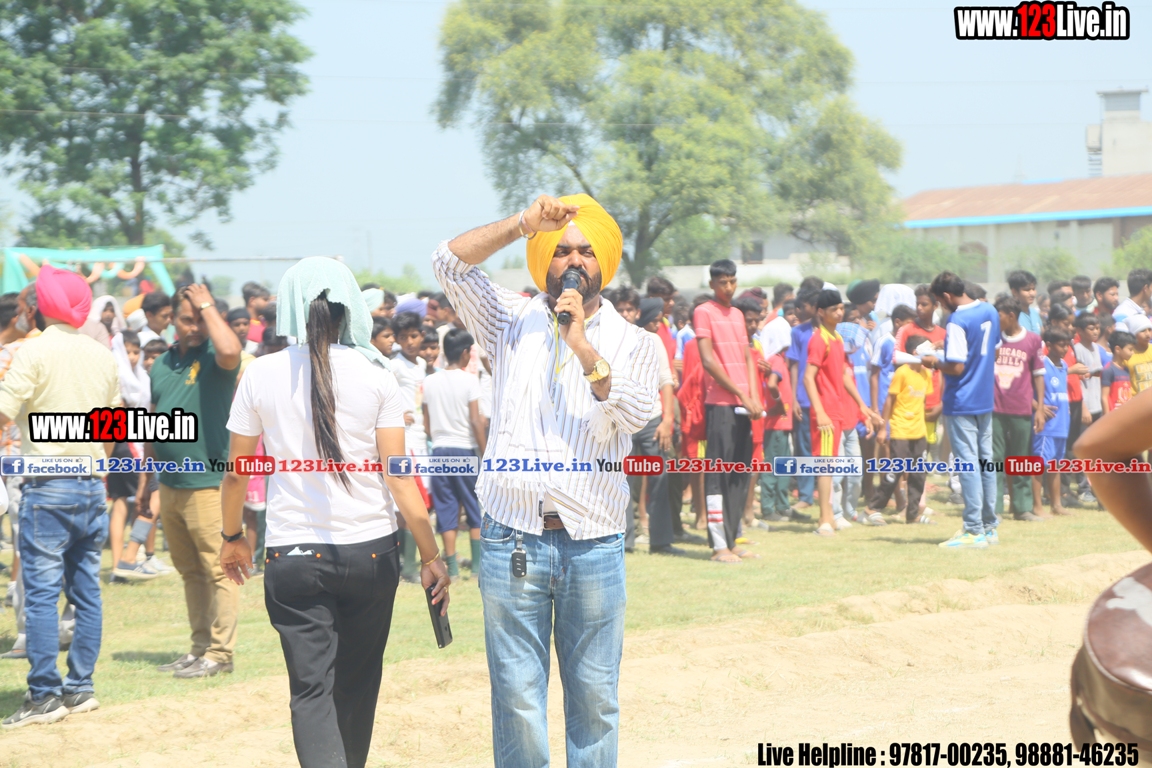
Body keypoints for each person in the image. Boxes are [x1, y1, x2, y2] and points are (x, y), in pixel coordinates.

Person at [432, 193, 659, 768]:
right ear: (544, 259)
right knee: (517, 701)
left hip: (594, 544)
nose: (574, 260)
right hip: (512, 539)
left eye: (586, 250)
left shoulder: (636, 342)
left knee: (596, 700)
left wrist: (582, 346)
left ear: (605, 260)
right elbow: (448, 263)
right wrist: (522, 224)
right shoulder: (508, 319)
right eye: (560, 250)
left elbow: (637, 414)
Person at [220, 257, 449, 768]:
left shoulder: (261, 373)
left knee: (310, 692)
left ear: (289, 308)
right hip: (372, 554)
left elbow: (236, 473)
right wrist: (432, 556)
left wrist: (232, 535)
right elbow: (399, 476)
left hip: (292, 555)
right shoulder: (377, 374)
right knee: (357, 686)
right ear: (352, 310)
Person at [0, 267, 120, 727]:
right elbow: (111, 430)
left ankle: (44, 695)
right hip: (91, 483)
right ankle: (80, 688)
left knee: (42, 595)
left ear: (38, 309)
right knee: (86, 592)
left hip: (47, 484)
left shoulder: (32, 352)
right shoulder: (102, 355)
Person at [146, 285, 242, 679]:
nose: (196, 327)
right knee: (190, 572)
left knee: (219, 570)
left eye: (201, 320)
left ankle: (220, 654)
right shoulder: (160, 363)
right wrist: (148, 481)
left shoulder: (216, 358)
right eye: (188, 320)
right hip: (170, 484)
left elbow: (232, 349)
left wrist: (206, 305)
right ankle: (199, 648)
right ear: (171, 319)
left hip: (207, 483)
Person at [923, 271, 1000, 549]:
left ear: (946, 296)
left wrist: (933, 361)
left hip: (962, 400)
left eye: (939, 301)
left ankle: (973, 530)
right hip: (984, 397)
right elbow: (994, 351)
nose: (940, 307)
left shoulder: (956, 320)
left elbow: (956, 367)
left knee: (967, 464)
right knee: (985, 462)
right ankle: (989, 527)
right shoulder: (989, 310)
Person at [695, 259, 764, 563]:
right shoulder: (703, 312)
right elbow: (709, 360)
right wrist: (741, 394)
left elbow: (748, 358)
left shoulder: (737, 314)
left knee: (739, 474)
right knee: (717, 475)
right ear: (712, 284)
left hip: (743, 406)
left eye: (732, 281)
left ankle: (733, 539)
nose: (728, 287)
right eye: (722, 282)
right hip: (721, 405)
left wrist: (752, 397)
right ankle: (718, 545)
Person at [805, 290, 876, 536]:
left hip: (837, 411)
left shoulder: (836, 338)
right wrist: (819, 411)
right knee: (825, 467)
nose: (839, 312)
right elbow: (808, 377)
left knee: (831, 465)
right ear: (820, 312)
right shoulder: (819, 339)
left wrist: (862, 405)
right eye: (833, 309)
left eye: (840, 308)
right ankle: (825, 518)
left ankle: (830, 518)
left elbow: (843, 375)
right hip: (825, 412)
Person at [422, 327, 486, 578]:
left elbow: (426, 424)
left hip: (439, 451)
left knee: (446, 508)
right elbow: (476, 421)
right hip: (464, 450)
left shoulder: (429, 381)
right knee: (473, 507)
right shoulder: (470, 380)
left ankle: (453, 567)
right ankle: (478, 567)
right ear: (465, 353)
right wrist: (485, 453)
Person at [628, 297, 683, 554]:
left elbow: (665, 380)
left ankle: (661, 542)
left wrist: (667, 419)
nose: (625, 314)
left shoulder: (653, 340)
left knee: (660, 479)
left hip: (653, 419)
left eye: (629, 309)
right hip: (623, 421)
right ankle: (623, 542)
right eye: (621, 309)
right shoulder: (610, 339)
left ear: (636, 312)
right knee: (622, 481)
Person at [867, 333, 934, 524]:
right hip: (901, 429)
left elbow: (923, 402)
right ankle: (872, 508)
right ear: (916, 352)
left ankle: (912, 514)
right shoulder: (902, 372)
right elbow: (890, 400)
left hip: (918, 431)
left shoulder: (926, 374)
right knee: (895, 471)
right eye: (928, 350)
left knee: (918, 474)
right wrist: (883, 428)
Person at [992, 295, 1046, 522]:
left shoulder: (1033, 340)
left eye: (998, 316)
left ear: (1011, 316)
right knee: (994, 459)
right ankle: (994, 508)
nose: (995, 320)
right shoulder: (993, 339)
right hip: (995, 408)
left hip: (1021, 409)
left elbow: (1038, 375)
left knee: (1021, 458)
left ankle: (1022, 508)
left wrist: (1039, 408)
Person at [390, 310, 432, 581]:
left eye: (413, 336)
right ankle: (405, 566)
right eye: (403, 337)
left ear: (422, 335)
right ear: (397, 339)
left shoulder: (421, 365)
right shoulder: (394, 365)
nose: (409, 342)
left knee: (420, 500)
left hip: (420, 438)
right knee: (407, 502)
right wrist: (396, 415)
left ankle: (407, 561)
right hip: (403, 440)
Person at [1031, 330, 1072, 517]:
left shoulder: (1064, 365)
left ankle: (1056, 505)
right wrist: (1037, 407)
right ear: (1048, 345)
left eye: (1067, 344)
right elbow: (1025, 389)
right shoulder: (1041, 364)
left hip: (1062, 424)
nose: (1065, 348)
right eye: (1061, 344)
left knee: (1056, 465)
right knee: (1039, 465)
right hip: (1046, 426)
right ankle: (1037, 506)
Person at [786, 288, 820, 510]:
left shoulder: (832, 334)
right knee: (805, 448)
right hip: (804, 399)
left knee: (827, 448)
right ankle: (806, 495)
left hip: (827, 399)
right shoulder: (798, 332)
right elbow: (793, 365)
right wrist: (793, 398)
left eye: (804, 306)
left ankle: (828, 493)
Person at [758, 328, 794, 522]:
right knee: (773, 465)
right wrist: (779, 404)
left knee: (783, 466)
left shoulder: (775, 359)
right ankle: (768, 507)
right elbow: (772, 384)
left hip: (781, 424)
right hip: (777, 423)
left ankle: (782, 505)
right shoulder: (777, 360)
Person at [1102, 330, 1135, 413]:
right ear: (1117, 349)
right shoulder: (1109, 370)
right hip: (1115, 415)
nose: (1133, 353)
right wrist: (1107, 417)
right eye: (1130, 349)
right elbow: (1104, 397)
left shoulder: (1126, 369)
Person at [1122, 313, 1152, 395]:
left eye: (1149, 330)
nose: (1148, 334)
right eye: (1143, 331)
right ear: (1134, 334)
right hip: (1136, 399)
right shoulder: (1127, 354)